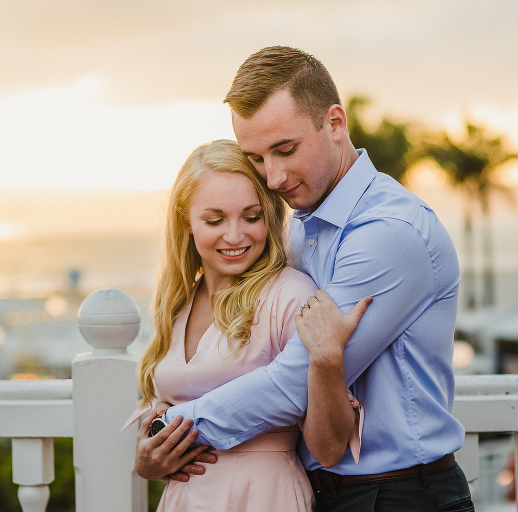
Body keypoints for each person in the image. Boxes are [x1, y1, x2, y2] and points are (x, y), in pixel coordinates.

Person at [141, 47, 475, 512]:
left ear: (335, 123)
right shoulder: (301, 225)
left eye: (286, 149)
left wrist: (169, 432)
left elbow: (293, 382)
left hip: (400, 494)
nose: (273, 177)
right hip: (328, 492)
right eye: (256, 157)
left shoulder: (388, 233)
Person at [131, 139, 370, 511]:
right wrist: (149, 461)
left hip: (263, 496)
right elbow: (161, 421)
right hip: (185, 500)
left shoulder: (289, 295)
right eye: (214, 220)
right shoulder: (179, 303)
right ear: (186, 222)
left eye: (251, 216)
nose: (235, 235)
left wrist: (328, 360)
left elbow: (328, 446)